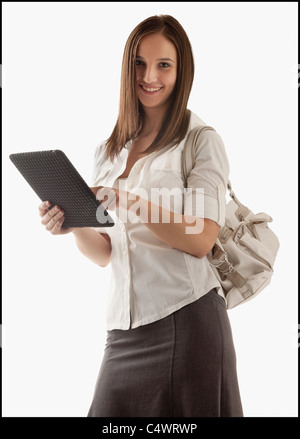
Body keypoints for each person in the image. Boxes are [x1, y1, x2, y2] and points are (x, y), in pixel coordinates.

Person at [38, 14, 243, 417]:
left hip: (187, 321)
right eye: (139, 63)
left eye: (163, 64)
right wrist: (74, 221)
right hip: (123, 333)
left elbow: (201, 239)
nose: (150, 76)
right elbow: (105, 253)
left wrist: (126, 198)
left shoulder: (200, 141)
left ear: (181, 71)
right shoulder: (109, 150)